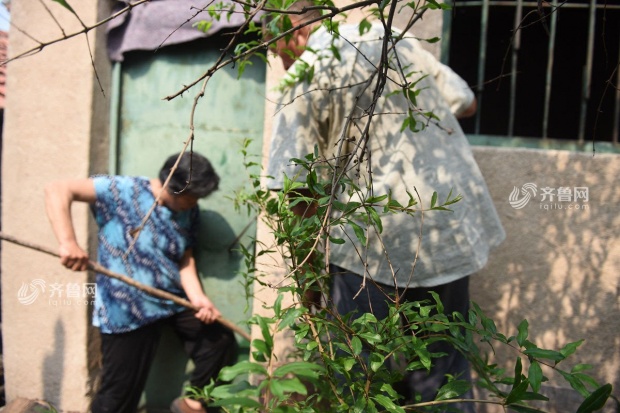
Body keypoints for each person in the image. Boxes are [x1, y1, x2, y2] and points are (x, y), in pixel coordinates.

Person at [265, 6, 505, 412]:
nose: (279, 61)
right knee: (442, 380)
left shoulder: (308, 72)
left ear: (291, 30)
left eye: (274, 49)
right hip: (446, 232)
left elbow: (299, 189)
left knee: (360, 378)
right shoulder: (396, 38)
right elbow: (465, 102)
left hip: (372, 247)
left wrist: (308, 281)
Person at [45, 152, 237, 413]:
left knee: (219, 342)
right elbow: (58, 189)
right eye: (190, 197)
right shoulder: (121, 190)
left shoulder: (188, 212)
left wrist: (198, 298)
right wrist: (68, 242)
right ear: (170, 183)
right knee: (117, 398)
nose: (194, 204)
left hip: (171, 301)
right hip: (127, 309)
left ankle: (191, 404)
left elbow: (184, 259)